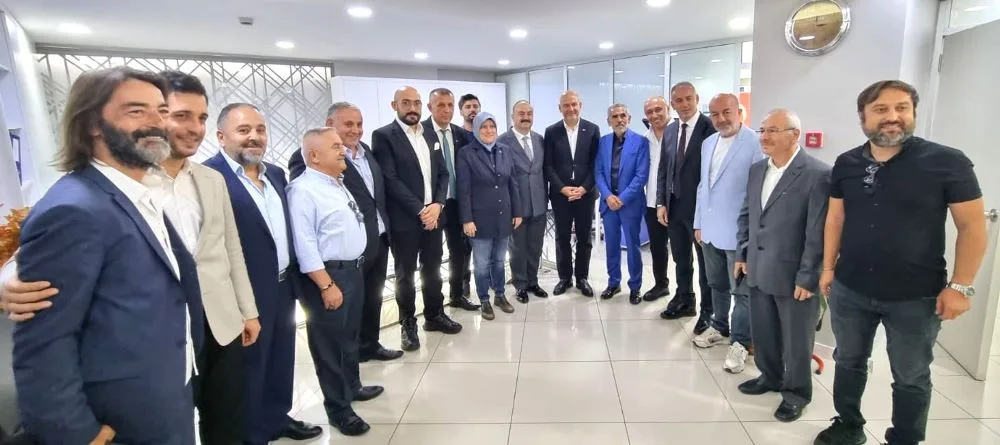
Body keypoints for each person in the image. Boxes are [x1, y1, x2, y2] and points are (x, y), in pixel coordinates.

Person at [1, 72, 262, 444]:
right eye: (137, 111)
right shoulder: (77, 205)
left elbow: (221, 250)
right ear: (92, 122)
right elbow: (43, 342)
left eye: (160, 111)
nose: (157, 123)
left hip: (174, 376)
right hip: (122, 410)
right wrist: (75, 433)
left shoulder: (140, 191)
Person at [814, 80, 987, 445]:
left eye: (902, 108)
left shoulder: (947, 162)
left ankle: (905, 438)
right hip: (851, 287)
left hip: (916, 295)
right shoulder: (847, 163)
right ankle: (848, 425)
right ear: (863, 117)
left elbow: (972, 226)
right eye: (881, 109)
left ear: (913, 113)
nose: (892, 117)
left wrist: (960, 286)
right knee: (848, 360)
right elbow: (835, 218)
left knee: (911, 374)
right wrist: (828, 268)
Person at [203, 104, 322, 444]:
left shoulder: (275, 174)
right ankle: (252, 433)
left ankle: (276, 418)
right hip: (243, 293)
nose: (254, 137)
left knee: (281, 358)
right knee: (248, 367)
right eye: (243, 130)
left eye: (260, 129)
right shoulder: (211, 178)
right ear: (221, 136)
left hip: (282, 285)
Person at [287, 103, 404, 363]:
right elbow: (310, 202)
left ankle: (369, 345)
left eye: (359, 124)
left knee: (372, 299)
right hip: (342, 251)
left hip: (377, 239)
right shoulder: (308, 157)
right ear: (330, 124)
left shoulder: (366, 151)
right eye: (348, 124)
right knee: (345, 312)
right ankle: (348, 364)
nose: (356, 130)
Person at [734, 108, 830, 423]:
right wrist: (742, 254)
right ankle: (770, 376)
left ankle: (796, 393)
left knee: (796, 340)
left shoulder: (817, 174)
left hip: (794, 275)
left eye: (773, 130)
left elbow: (818, 232)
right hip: (758, 267)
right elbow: (748, 214)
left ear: (794, 135)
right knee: (764, 331)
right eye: (762, 130)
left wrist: (809, 276)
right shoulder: (757, 170)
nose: (764, 136)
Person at [288, 128, 374, 437]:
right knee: (329, 348)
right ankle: (339, 410)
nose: (343, 150)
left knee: (349, 338)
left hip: (351, 272)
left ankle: (352, 387)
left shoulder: (336, 182)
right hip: (329, 277)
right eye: (336, 146)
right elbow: (305, 243)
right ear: (314, 156)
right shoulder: (303, 190)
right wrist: (326, 285)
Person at [371, 86, 463, 352]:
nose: (412, 108)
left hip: (434, 217)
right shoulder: (384, 136)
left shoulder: (430, 133)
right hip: (405, 220)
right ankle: (408, 323)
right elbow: (390, 179)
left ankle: (434, 315)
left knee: (432, 269)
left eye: (416, 103)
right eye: (406, 103)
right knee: (406, 275)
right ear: (395, 105)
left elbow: (443, 173)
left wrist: (438, 205)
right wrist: (421, 210)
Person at [691, 93, 763, 374]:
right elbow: (703, 186)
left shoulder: (754, 143)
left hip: (738, 233)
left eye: (726, 112)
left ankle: (741, 341)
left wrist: (751, 234)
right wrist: (698, 223)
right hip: (710, 230)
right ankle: (720, 326)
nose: (720, 119)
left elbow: (757, 193)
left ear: (738, 112)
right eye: (715, 114)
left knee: (742, 292)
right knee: (716, 283)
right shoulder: (708, 143)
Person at [656, 82, 717, 332]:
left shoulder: (710, 128)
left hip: (700, 209)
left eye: (688, 99)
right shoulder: (670, 130)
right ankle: (685, 299)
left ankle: (708, 312)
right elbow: (663, 169)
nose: (684, 104)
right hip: (675, 205)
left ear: (697, 99)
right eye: (678, 101)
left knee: (705, 264)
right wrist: (661, 202)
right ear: (672, 104)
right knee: (681, 257)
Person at [457, 112, 523, 320]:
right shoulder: (466, 153)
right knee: (482, 263)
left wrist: (517, 211)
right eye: (484, 127)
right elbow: (464, 190)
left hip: (504, 215)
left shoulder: (505, 150)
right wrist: (467, 219)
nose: (488, 131)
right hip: (479, 219)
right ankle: (484, 299)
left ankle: (500, 295)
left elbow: (512, 183)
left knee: (499, 260)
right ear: (477, 129)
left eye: (492, 126)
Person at [422, 88, 479, 311]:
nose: (446, 110)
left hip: (456, 202)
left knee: (459, 252)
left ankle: (457, 295)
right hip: (433, 205)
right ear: (430, 107)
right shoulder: (421, 132)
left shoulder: (460, 134)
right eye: (440, 105)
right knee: (433, 257)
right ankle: (434, 308)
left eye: (449, 105)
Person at [543, 90, 600, 297]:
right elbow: (548, 165)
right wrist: (561, 188)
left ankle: (582, 278)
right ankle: (564, 278)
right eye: (566, 105)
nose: (571, 108)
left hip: (585, 193)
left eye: (574, 104)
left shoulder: (592, 129)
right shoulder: (552, 131)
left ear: (580, 105)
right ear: (560, 108)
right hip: (561, 195)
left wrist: (584, 188)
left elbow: (596, 164)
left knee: (585, 238)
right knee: (562, 237)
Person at [595, 104, 649, 304]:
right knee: (611, 245)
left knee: (633, 247)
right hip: (609, 204)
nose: (619, 120)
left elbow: (641, 176)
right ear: (609, 121)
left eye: (623, 115)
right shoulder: (603, 142)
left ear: (629, 118)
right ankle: (613, 282)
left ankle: (635, 287)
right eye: (615, 116)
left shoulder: (641, 142)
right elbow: (598, 172)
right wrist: (608, 196)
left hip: (630, 204)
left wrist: (622, 198)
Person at [498, 100, 549, 303]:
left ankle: (533, 282)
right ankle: (520, 284)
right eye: (521, 113)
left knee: (535, 246)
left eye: (529, 113)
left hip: (539, 204)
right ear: (513, 116)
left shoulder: (539, 139)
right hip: (515, 206)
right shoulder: (502, 141)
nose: (525, 117)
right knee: (517, 248)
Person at [642, 96, 673, 302]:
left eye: (658, 109)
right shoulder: (646, 138)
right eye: (650, 112)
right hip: (652, 201)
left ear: (668, 109)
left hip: (675, 202)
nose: (654, 115)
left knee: (682, 251)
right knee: (657, 247)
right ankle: (661, 284)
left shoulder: (679, 133)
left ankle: (686, 293)